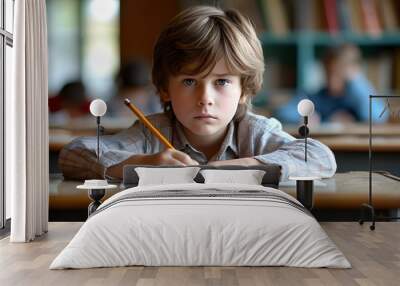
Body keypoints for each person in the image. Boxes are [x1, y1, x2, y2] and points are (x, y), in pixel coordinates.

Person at [59, 6, 336, 181]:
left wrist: (246, 166)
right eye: (190, 81)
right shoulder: (150, 133)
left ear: (244, 89)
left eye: (222, 82)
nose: (205, 98)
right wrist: (142, 163)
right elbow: (74, 154)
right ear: (165, 89)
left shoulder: (254, 133)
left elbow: (321, 158)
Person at [274, 44, 388, 124]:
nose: (332, 79)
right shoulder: (314, 97)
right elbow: (283, 113)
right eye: (328, 72)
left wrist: (357, 81)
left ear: (353, 72)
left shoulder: (358, 96)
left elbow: (377, 118)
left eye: (338, 73)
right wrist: (305, 118)